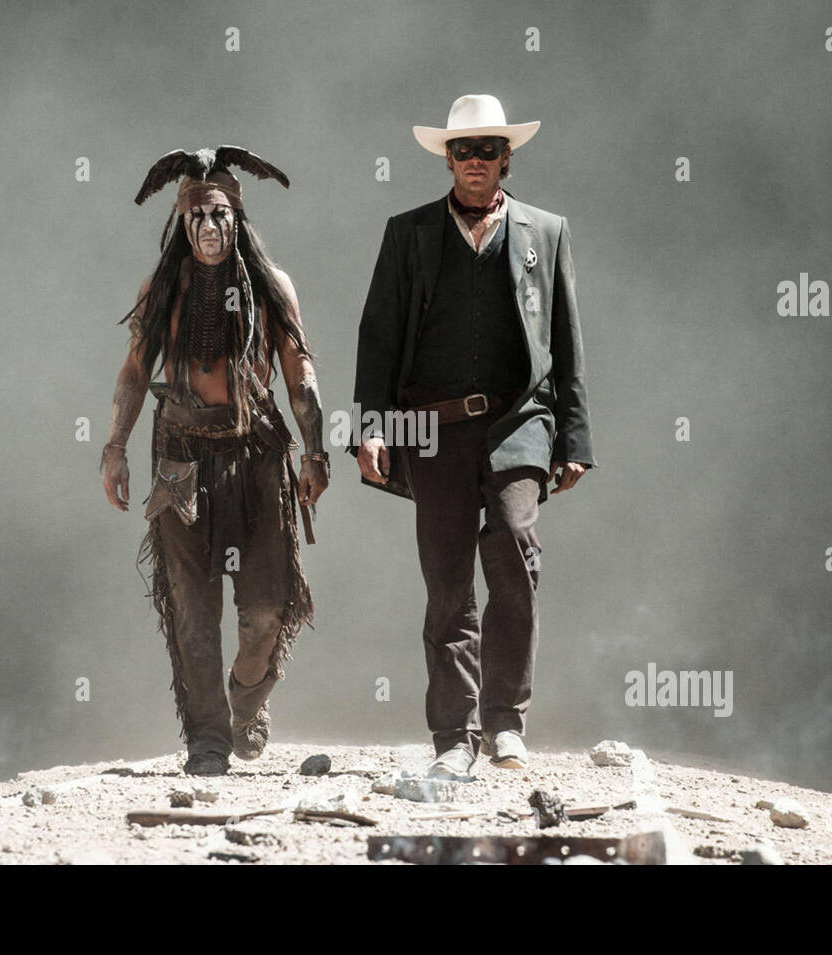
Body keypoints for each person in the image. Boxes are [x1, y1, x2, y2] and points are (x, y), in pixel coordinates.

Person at [352, 95, 595, 778]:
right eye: (464, 150)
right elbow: (378, 335)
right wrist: (370, 426)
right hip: (430, 426)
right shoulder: (410, 233)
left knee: (517, 549)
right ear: (447, 157)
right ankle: (453, 738)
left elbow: (568, 343)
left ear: (507, 156)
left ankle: (506, 723)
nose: (477, 160)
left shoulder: (545, 231)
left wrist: (573, 437)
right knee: (447, 579)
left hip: (519, 420)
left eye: (489, 148)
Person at [101, 146, 328, 776]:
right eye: (198, 215)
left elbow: (298, 372)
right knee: (192, 611)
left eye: (220, 214)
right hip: (180, 462)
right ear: (181, 222)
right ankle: (208, 741)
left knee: (266, 610)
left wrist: (315, 451)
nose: (209, 227)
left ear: (238, 219)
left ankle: (245, 702)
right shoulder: (162, 292)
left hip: (257, 460)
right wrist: (115, 448)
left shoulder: (271, 287)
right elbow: (132, 371)